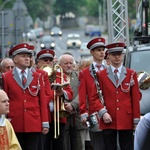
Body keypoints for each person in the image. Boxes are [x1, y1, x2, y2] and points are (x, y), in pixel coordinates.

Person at [91, 42, 141, 150]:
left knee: (127, 147)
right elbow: (94, 97)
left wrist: (136, 121)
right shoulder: (101, 74)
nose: (117, 57)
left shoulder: (131, 74)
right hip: (108, 118)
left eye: (119, 54)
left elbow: (135, 99)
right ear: (108, 55)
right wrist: (103, 113)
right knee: (109, 147)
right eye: (114, 54)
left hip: (126, 118)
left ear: (123, 55)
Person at [2, 43, 49, 150]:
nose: (27, 58)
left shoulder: (38, 76)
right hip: (14, 121)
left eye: (29, 56)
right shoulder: (7, 76)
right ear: (15, 59)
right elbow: (5, 99)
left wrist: (45, 122)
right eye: (23, 56)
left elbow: (42, 100)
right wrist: (4, 119)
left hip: (34, 121)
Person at [79, 37, 106, 150]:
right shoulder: (85, 73)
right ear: (91, 52)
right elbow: (82, 95)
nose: (102, 52)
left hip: (111, 112)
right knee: (98, 145)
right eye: (98, 50)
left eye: (103, 50)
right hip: (94, 114)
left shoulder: (110, 69)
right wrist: (84, 114)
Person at [59, 54, 87, 150]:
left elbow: (84, 92)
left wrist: (73, 105)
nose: (69, 65)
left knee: (79, 144)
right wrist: (64, 105)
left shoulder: (80, 75)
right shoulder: (56, 77)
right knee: (64, 144)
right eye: (66, 63)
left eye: (71, 63)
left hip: (77, 116)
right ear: (60, 65)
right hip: (62, 117)